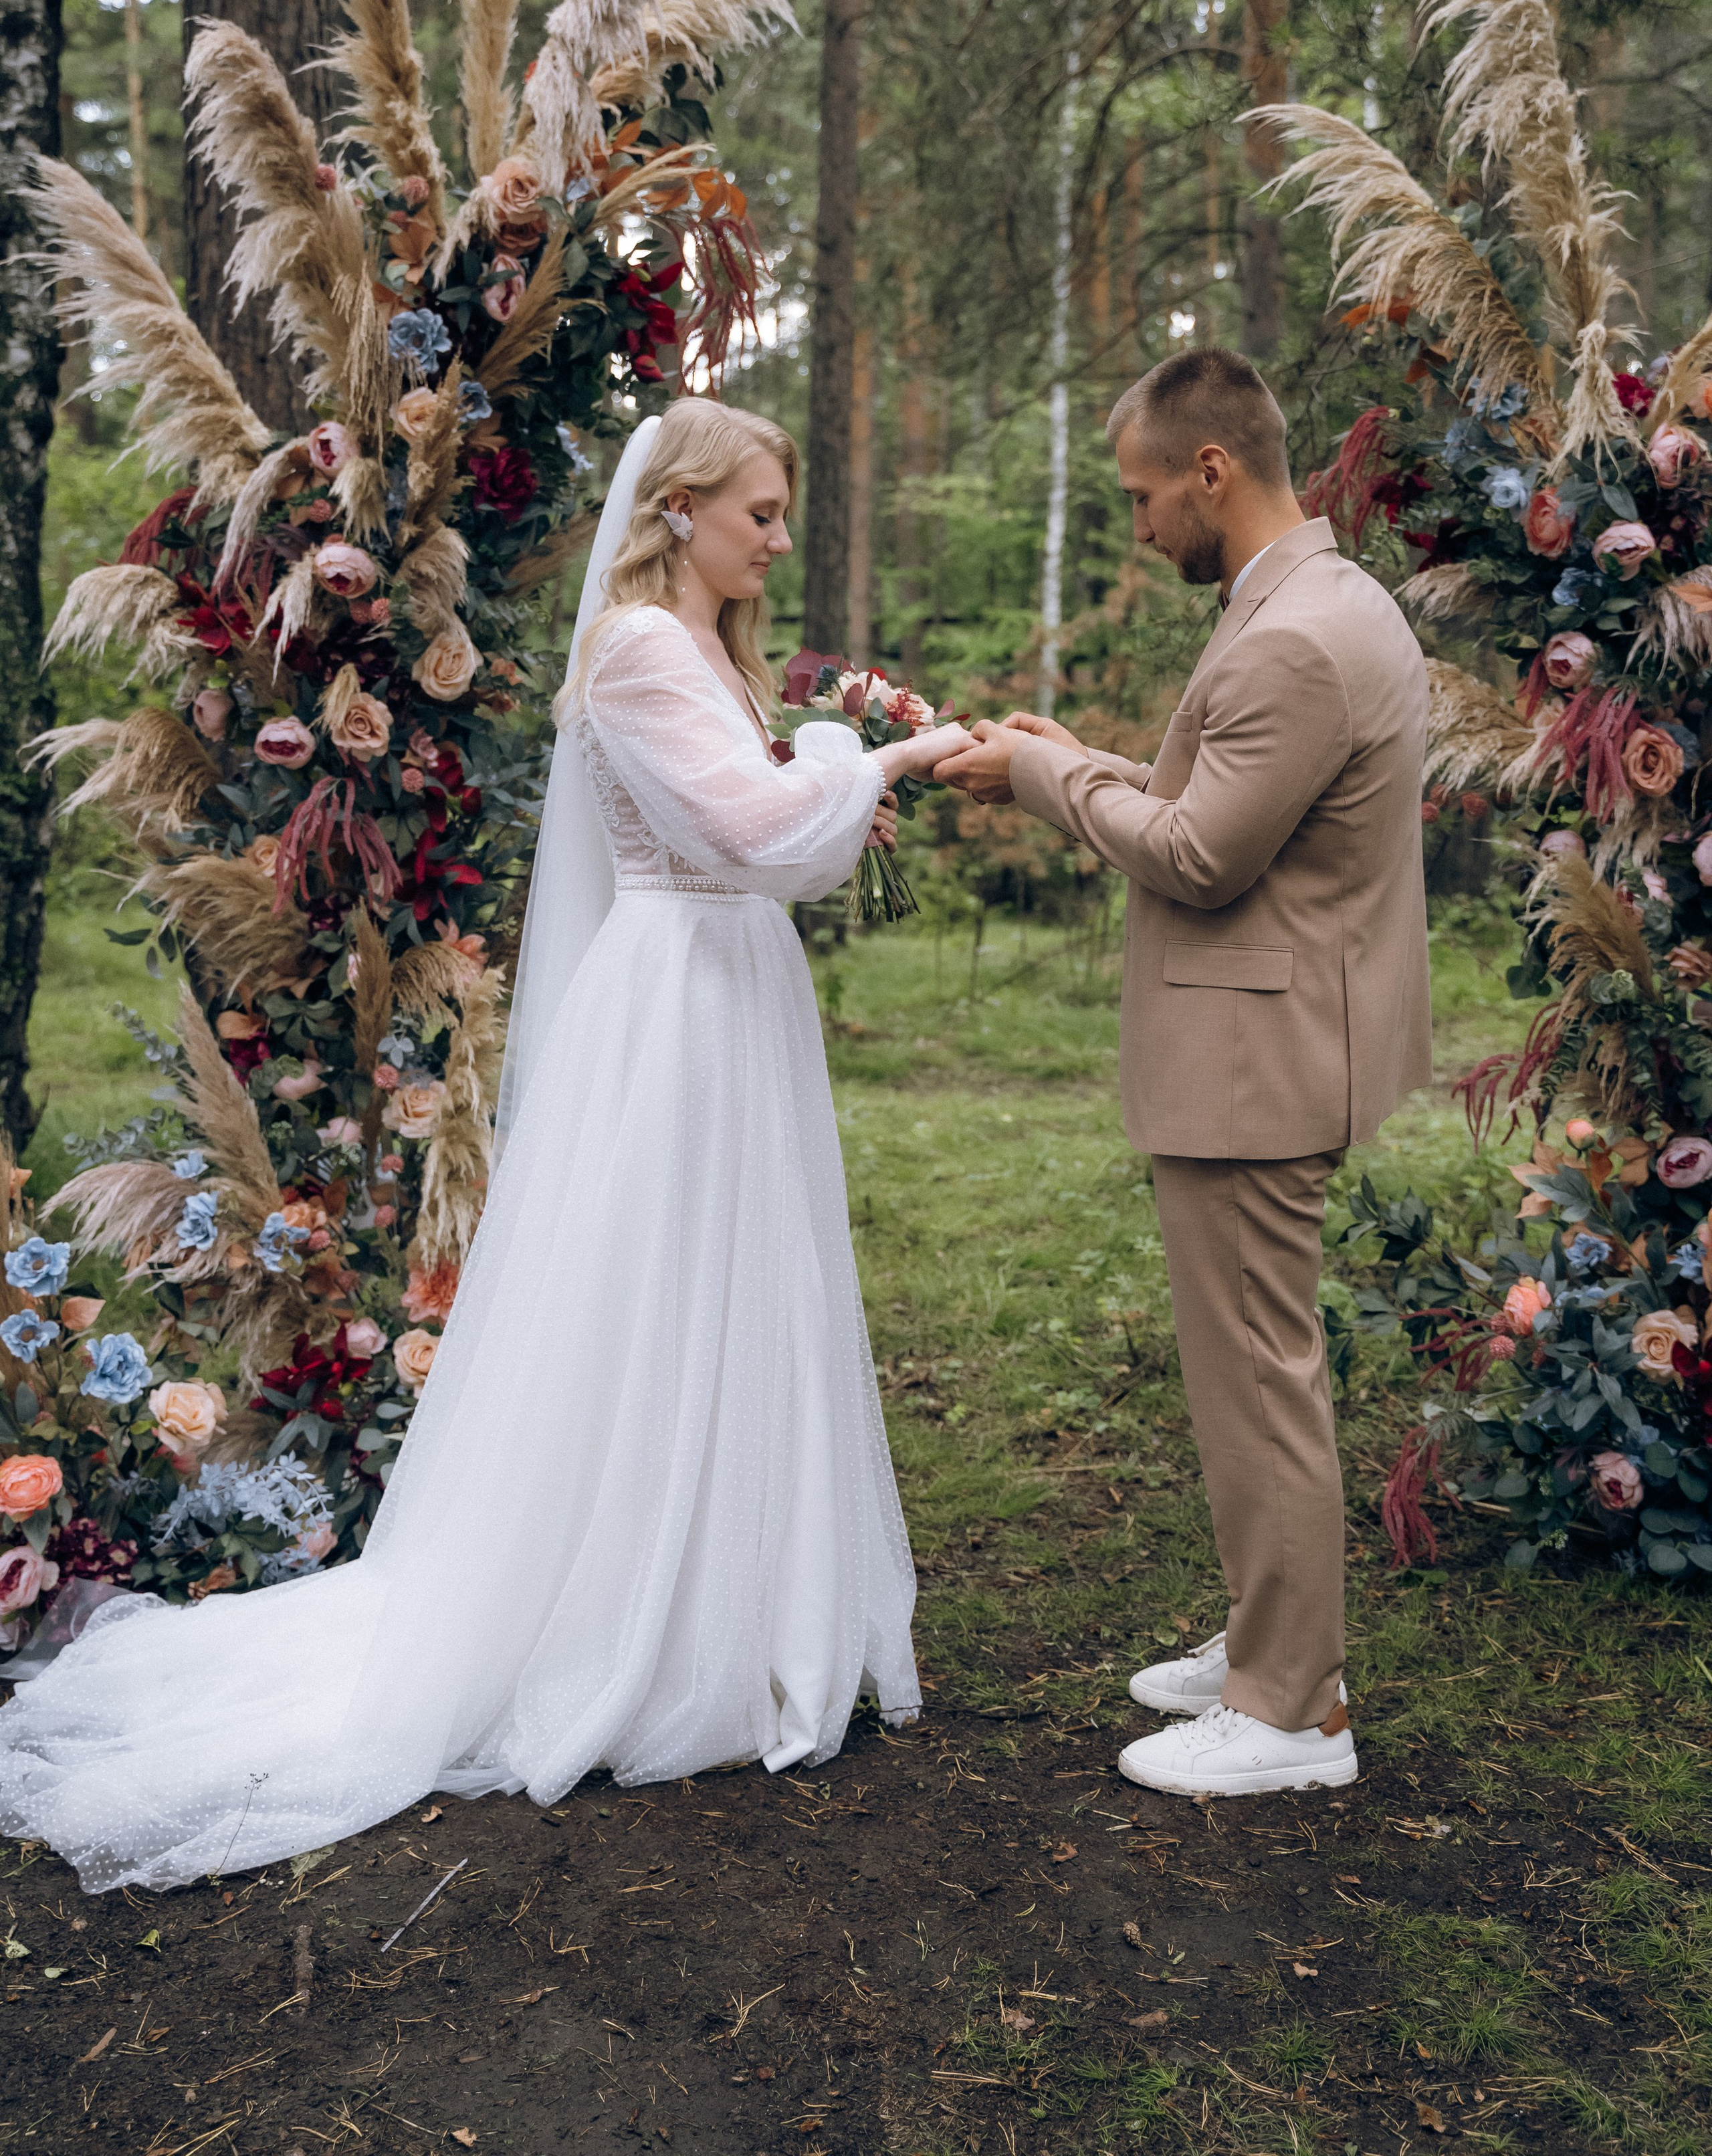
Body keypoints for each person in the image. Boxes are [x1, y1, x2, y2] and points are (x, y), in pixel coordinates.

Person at [0, 400, 974, 1893]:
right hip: (676, 1005)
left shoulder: (704, 648)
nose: (778, 539)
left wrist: (850, 763)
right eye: (760, 512)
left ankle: (737, 1588)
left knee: (742, 1289)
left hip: (733, 992)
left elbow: (768, 839)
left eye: (781, 514)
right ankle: (631, 1620)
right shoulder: (645, 651)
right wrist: (878, 758)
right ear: (676, 514)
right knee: (657, 1298)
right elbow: (757, 829)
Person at [936, 346, 1430, 1799]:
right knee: (1248, 1375)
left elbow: (1202, 858)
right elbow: (1218, 809)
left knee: (1257, 1383)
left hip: (1257, 1060)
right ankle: (1272, 1644)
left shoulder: (1290, 637)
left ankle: (1291, 1714)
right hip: (1273, 1041)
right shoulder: (1320, 603)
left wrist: (1042, 776)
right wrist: (1080, 756)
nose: (1137, 526)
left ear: (1211, 470)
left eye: (1144, 495)